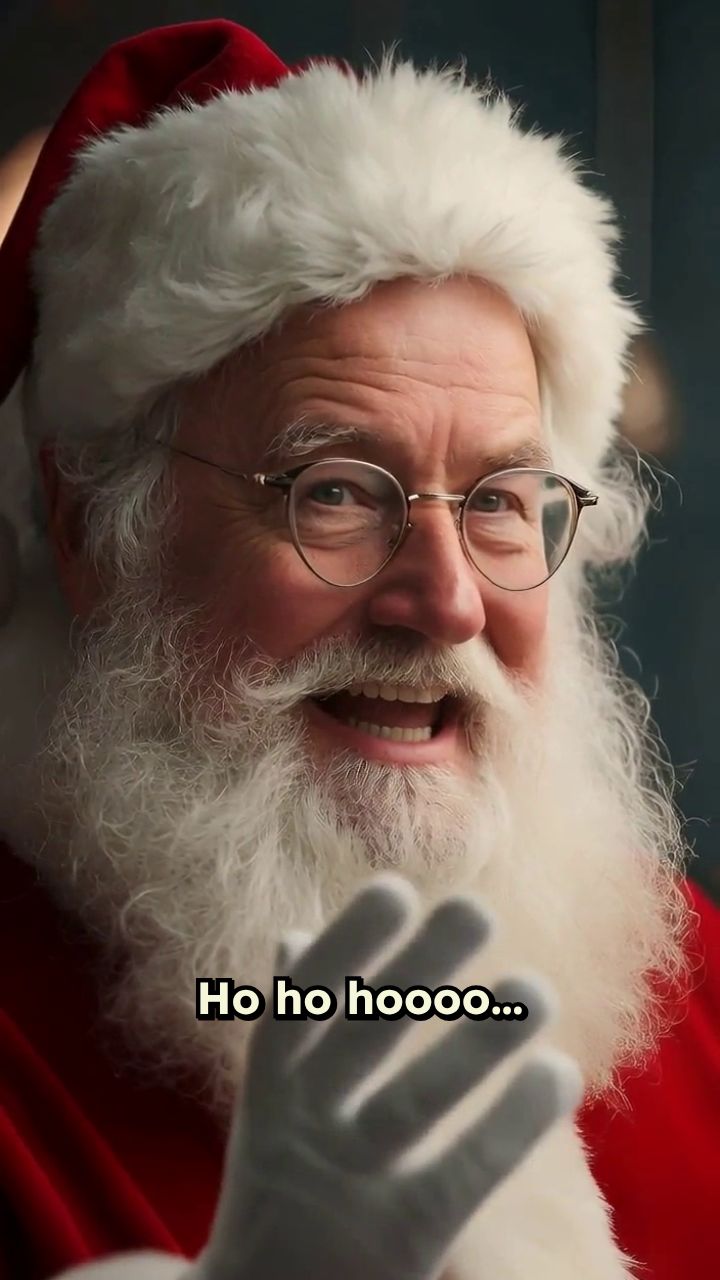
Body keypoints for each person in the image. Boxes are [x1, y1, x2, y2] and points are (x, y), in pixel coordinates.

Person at [0, 17, 698, 1280]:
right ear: (93, 528)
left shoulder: (698, 995)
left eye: (500, 501)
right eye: (333, 490)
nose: (446, 601)